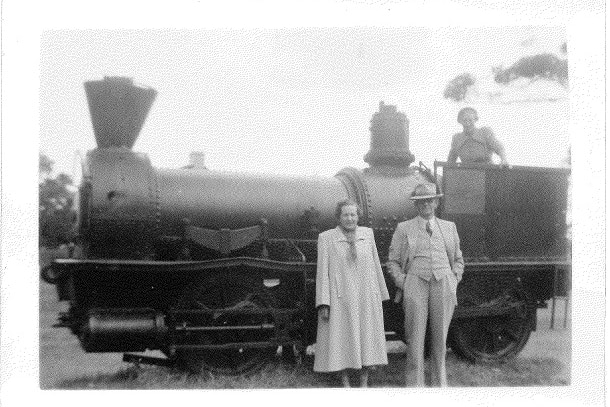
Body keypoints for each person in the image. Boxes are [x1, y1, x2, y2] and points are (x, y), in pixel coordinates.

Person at [387, 184, 464, 387]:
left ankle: (440, 387)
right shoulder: (404, 228)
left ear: (436, 202)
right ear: (416, 205)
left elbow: (458, 259)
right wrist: (402, 281)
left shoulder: (449, 227)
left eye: (430, 200)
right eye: (421, 201)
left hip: (443, 283)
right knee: (415, 339)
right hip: (415, 283)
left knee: (440, 339)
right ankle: (415, 388)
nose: (426, 204)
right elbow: (393, 260)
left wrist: (454, 278)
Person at [314, 199, 390, 387]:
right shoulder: (326, 238)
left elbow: (375, 265)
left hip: (366, 296)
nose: (350, 218)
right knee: (341, 338)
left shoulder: (368, 234)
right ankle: (345, 381)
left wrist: (380, 293)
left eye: (353, 214)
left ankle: (364, 381)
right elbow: (322, 272)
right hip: (340, 298)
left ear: (358, 216)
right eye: (345, 215)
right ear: (338, 217)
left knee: (366, 337)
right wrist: (324, 302)